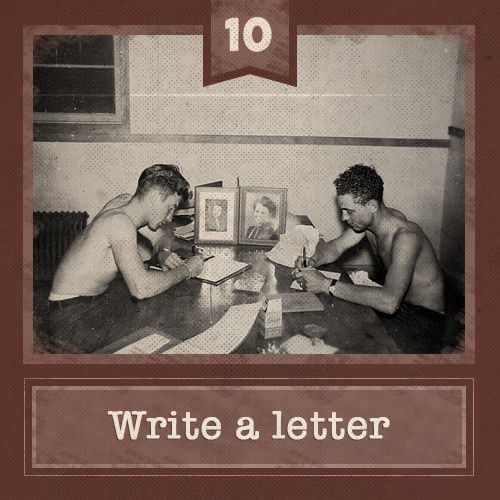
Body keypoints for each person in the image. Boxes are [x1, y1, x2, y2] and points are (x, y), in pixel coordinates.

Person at [47, 164, 204, 353]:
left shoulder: (124, 204)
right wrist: (187, 269)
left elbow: (161, 237)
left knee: (158, 312)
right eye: (170, 208)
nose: (170, 218)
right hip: (71, 319)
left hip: (91, 304)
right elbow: (141, 288)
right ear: (154, 198)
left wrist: (163, 252)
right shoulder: (120, 223)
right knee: (168, 332)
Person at [293, 164, 445, 353]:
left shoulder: (406, 237)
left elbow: (389, 302)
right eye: (342, 210)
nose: (344, 217)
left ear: (372, 205)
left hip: (425, 324)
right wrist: (312, 261)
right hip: (400, 309)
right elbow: (336, 247)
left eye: (349, 211)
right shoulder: (372, 223)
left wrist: (325, 284)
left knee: (343, 341)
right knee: (331, 325)